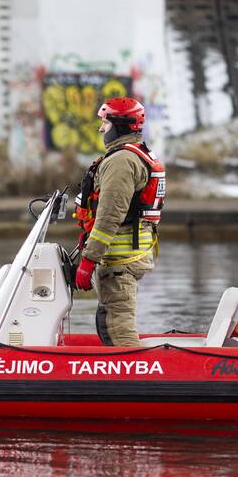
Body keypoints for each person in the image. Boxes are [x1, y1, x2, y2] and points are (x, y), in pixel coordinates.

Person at [73, 97, 165, 347]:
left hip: (120, 260)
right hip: (126, 255)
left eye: (105, 122)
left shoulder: (121, 161)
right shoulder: (133, 154)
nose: (101, 128)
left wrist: (88, 260)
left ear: (118, 125)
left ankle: (137, 381)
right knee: (109, 323)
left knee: (119, 329)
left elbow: (109, 216)